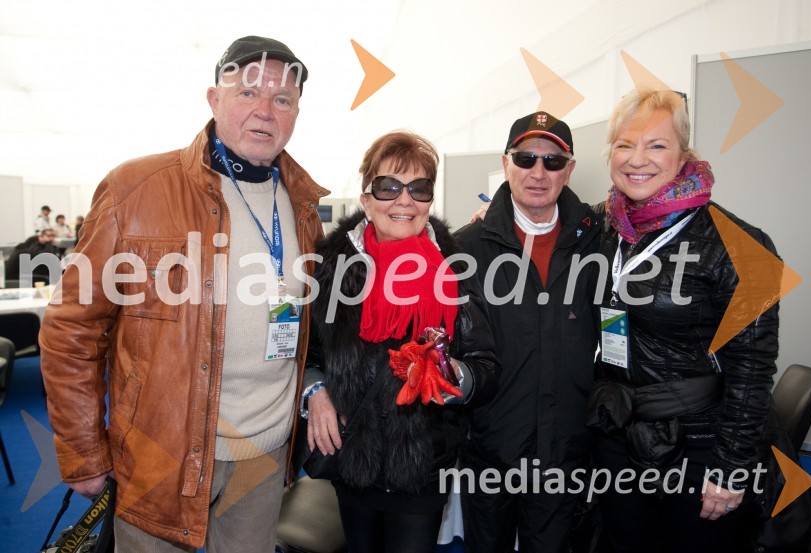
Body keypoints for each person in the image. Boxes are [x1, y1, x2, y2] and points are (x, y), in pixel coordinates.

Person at [39, 36, 328, 552]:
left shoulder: (304, 205)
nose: (265, 111)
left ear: (297, 112)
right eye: (247, 93)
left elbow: (304, 323)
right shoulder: (137, 188)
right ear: (214, 100)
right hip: (162, 457)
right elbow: (71, 326)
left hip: (263, 453)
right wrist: (82, 450)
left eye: (282, 99)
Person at [587, 88, 781, 552]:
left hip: (699, 443)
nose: (638, 159)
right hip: (617, 432)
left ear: (684, 155)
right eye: (624, 144)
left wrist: (731, 467)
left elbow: (752, 369)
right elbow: (541, 218)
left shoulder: (742, 244)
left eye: (656, 145)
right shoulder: (600, 226)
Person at [303, 131, 499, 553]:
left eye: (419, 187)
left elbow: (484, 368)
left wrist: (449, 374)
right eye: (389, 186)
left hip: (424, 467)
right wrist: (316, 391)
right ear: (367, 199)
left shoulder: (456, 267)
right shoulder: (333, 269)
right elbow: (308, 354)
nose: (404, 200)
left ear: (430, 199)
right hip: (354, 459)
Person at [454, 112, 601, 553]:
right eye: (526, 158)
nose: (538, 172)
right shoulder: (465, 247)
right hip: (490, 446)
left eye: (553, 162)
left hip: (564, 445)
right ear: (506, 163)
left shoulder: (598, 241)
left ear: (570, 169)